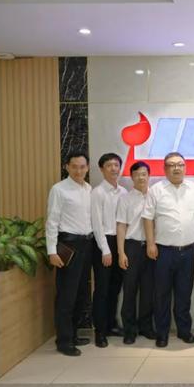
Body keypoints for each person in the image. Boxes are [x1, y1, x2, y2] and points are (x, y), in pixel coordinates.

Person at [142, 152, 194, 348]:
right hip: (163, 251)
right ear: (165, 168)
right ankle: (162, 333)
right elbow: (148, 218)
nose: (177, 168)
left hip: (188, 250)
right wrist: (150, 243)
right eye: (172, 165)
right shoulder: (156, 190)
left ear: (185, 167)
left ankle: (184, 330)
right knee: (162, 294)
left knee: (184, 293)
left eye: (180, 164)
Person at [45, 151, 93, 356]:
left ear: (87, 168)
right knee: (66, 295)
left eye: (82, 167)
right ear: (67, 167)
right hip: (68, 246)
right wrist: (52, 251)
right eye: (74, 167)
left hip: (87, 245)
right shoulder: (59, 189)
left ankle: (73, 334)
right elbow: (51, 222)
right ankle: (64, 341)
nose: (78, 171)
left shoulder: (88, 189)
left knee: (81, 293)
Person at [116, 161, 156, 345]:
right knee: (130, 290)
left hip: (151, 247)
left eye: (144, 174)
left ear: (149, 176)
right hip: (131, 247)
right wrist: (121, 252)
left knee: (148, 290)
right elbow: (121, 226)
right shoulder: (125, 199)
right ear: (131, 177)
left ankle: (146, 327)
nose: (141, 177)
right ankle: (129, 330)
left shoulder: (155, 196)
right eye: (137, 174)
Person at [91, 153, 127, 348]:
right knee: (102, 289)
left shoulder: (123, 192)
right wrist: (105, 250)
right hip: (103, 244)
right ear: (101, 169)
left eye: (116, 165)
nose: (113, 168)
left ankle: (111, 325)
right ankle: (99, 331)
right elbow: (96, 224)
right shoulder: (97, 193)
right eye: (109, 165)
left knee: (115, 287)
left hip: (119, 243)